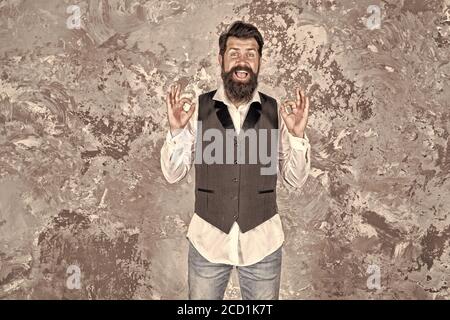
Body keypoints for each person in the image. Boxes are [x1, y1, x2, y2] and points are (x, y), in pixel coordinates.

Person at [160, 20, 311, 300]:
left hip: (262, 244)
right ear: (221, 59)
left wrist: (298, 136)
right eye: (234, 53)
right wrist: (177, 132)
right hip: (208, 242)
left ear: (259, 62)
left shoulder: (276, 111)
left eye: (250, 54)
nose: (242, 62)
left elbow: (295, 179)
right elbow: (172, 174)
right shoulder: (197, 109)